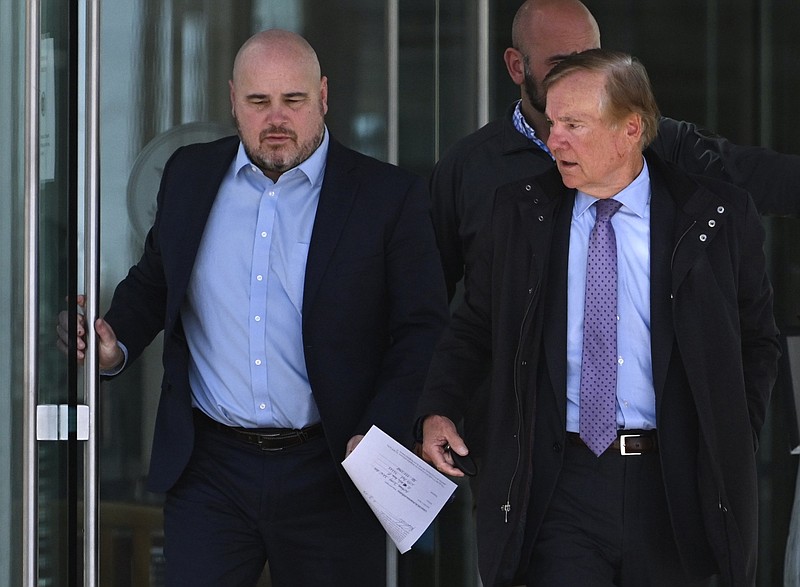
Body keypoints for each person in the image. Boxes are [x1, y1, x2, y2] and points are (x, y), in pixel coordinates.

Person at [58, 29, 449, 586]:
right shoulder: (189, 175)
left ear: (324, 97)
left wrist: (379, 428)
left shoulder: (388, 196)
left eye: (294, 100)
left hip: (333, 466)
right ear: (232, 100)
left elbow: (422, 329)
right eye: (258, 101)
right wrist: (113, 341)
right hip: (211, 466)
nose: (276, 119)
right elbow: (153, 281)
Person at [416, 49, 781, 586]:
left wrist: (731, 430)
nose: (553, 139)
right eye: (552, 122)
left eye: (573, 125)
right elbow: (474, 326)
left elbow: (757, 341)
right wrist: (439, 407)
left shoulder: (714, 217)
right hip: (561, 481)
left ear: (629, 129)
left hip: (676, 482)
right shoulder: (520, 212)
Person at [432, 0, 800, 304]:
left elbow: (757, 175)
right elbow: (432, 302)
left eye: (589, 60)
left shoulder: (654, 140)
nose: (578, 78)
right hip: (516, 387)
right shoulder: (468, 168)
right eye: (560, 64)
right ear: (517, 66)